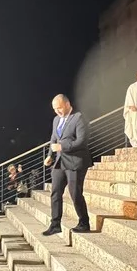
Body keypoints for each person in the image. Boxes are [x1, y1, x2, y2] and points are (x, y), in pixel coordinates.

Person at [42, 94, 92, 236]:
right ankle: (55, 224)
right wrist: (50, 156)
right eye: (54, 109)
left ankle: (84, 222)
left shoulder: (79, 118)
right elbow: (53, 139)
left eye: (59, 108)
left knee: (75, 193)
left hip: (75, 162)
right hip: (59, 162)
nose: (57, 111)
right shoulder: (56, 119)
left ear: (67, 104)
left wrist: (62, 147)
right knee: (55, 192)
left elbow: (82, 141)